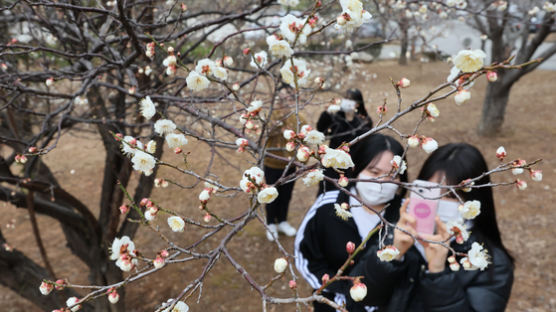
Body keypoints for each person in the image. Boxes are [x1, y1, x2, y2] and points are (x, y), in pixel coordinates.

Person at [346, 143, 514, 312]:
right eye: (431, 191)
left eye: (450, 195)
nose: (438, 203)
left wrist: (438, 273)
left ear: (474, 200)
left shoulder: (490, 262)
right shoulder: (398, 233)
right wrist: (393, 256)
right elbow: (360, 296)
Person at [294, 134, 408, 311]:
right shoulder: (329, 206)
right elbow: (306, 256)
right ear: (356, 169)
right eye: (374, 172)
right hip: (333, 304)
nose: (381, 182)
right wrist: (343, 291)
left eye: (392, 175)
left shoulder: (406, 216)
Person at [317, 89, 373, 194]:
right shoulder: (335, 116)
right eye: (346, 98)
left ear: (358, 104)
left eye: (351, 100)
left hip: (351, 165)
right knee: (326, 192)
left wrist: (352, 118)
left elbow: (365, 141)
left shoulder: (364, 121)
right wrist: (326, 113)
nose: (347, 101)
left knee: (346, 194)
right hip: (332, 161)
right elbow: (322, 131)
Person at [263, 107, 306, 241]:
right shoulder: (269, 116)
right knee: (271, 195)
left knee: (286, 195)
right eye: (281, 96)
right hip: (271, 163)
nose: (284, 100)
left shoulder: (298, 117)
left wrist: (303, 159)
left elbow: (305, 139)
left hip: (290, 165)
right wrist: (275, 126)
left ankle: (282, 221)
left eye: (288, 95)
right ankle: (270, 224)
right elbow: (263, 134)